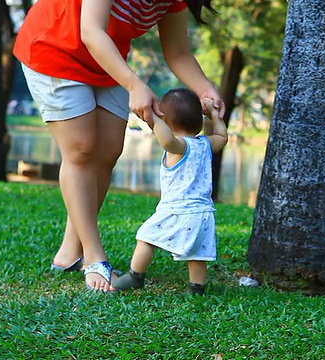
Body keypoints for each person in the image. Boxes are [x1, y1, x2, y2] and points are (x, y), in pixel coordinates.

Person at [13, 0, 226, 292]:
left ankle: (68, 253)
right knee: (82, 149)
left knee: (109, 150)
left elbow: (177, 52)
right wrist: (133, 84)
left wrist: (206, 89)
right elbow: (91, 31)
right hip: (55, 48)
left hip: (105, 61)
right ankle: (93, 257)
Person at [113, 90, 228, 295]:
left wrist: (154, 117)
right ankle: (197, 288)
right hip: (202, 213)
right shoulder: (206, 144)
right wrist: (215, 115)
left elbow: (166, 141)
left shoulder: (180, 146)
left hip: (176, 210)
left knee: (146, 237)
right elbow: (222, 136)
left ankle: (135, 276)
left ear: (166, 121)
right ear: (199, 120)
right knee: (197, 254)